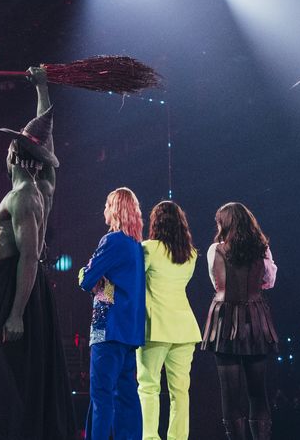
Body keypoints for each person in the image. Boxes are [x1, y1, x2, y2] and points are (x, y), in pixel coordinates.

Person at [0, 67, 76, 440]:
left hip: (16, 285)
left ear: (14, 154)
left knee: (0, 374)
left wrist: (15, 313)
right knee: (17, 374)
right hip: (22, 286)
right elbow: (48, 146)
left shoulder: (23, 197)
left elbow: (30, 256)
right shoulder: (44, 186)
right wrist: (42, 89)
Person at [202, 203, 280, 440]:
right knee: (258, 391)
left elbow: (217, 284)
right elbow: (269, 281)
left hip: (224, 322)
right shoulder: (261, 249)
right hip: (255, 321)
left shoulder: (215, 249)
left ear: (224, 224)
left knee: (230, 393)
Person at [78, 188, 147, 439]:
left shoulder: (112, 240)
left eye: (107, 205)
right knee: (127, 397)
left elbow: (87, 280)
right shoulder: (135, 246)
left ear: (115, 209)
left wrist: (86, 273)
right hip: (129, 332)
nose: (104, 210)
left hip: (107, 329)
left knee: (101, 396)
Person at [138, 200, 202, 440]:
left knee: (148, 387)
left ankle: (149, 438)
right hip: (185, 329)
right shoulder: (191, 255)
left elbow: (134, 281)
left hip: (155, 327)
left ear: (156, 222)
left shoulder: (148, 248)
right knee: (180, 392)